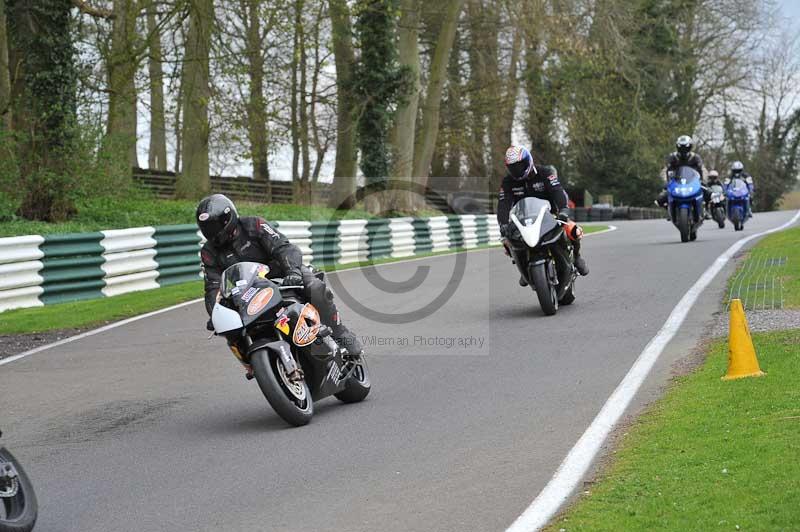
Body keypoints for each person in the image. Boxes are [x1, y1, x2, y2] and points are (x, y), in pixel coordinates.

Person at [196, 194, 362, 363]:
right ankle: (253, 363)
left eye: (216, 225)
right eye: (207, 228)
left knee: (314, 287)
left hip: (282, 275)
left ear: (228, 217)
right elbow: (212, 287)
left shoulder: (254, 225)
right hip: (248, 292)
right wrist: (215, 313)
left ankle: (341, 333)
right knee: (230, 329)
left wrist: (293, 272)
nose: (213, 231)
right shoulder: (209, 252)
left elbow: (283, 247)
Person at [497, 145, 589, 285]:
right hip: (523, 219)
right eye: (513, 167)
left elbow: (558, 191)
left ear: (529, 160)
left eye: (520, 165)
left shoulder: (545, 173)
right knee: (507, 240)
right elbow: (503, 203)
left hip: (550, 214)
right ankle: (524, 267)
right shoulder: (508, 182)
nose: (517, 170)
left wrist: (563, 209)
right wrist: (503, 224)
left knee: (574, 231)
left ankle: (577, 257)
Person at [655, 135, 708, 216]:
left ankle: (704, 209)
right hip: (676, 182)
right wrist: (666, 182)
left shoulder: (695, 157)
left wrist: (703, 181)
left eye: (686, 147)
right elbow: (665, 170)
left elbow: (703, 169)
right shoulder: (673, 157)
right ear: (677, 147)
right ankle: (669, 208)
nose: (684, 150)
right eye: (681, 147)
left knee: (707, 192)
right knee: (659, 199)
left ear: (690, 147)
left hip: (693, 182)